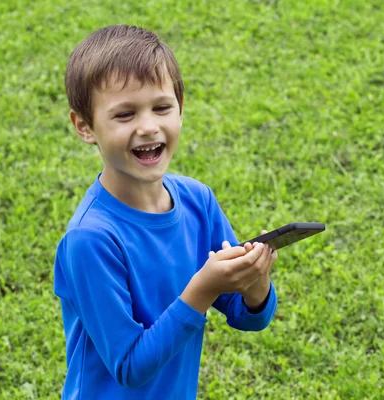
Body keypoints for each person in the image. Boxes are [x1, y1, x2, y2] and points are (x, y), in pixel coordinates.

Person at [53, 24, 278, 399]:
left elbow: (247, 314)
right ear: (85, 126)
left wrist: (255, 282)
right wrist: (202, 289)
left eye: (161, 107)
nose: (148, 126)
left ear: (180, 107)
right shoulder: (90, 240)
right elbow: (129, 367)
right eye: (125, 115)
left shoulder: (198, 201)